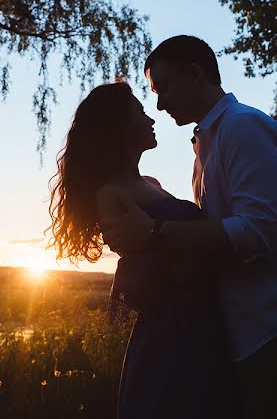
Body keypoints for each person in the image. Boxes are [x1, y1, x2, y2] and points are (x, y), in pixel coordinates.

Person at [99, 35, 277, 419]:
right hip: (248, 328)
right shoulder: (205, 147)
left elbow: (257, 231)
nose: (159, 105)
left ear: (195, 74)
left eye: (163, 88)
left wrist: (154, 233)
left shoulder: (243, 128)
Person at [47, 80, 233, 419]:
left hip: (203, 320)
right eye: (141, 113)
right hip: (171, 328)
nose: (151, 119)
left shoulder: (151, 185)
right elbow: (153, 268)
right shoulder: (111, 194)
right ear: (118, 129)